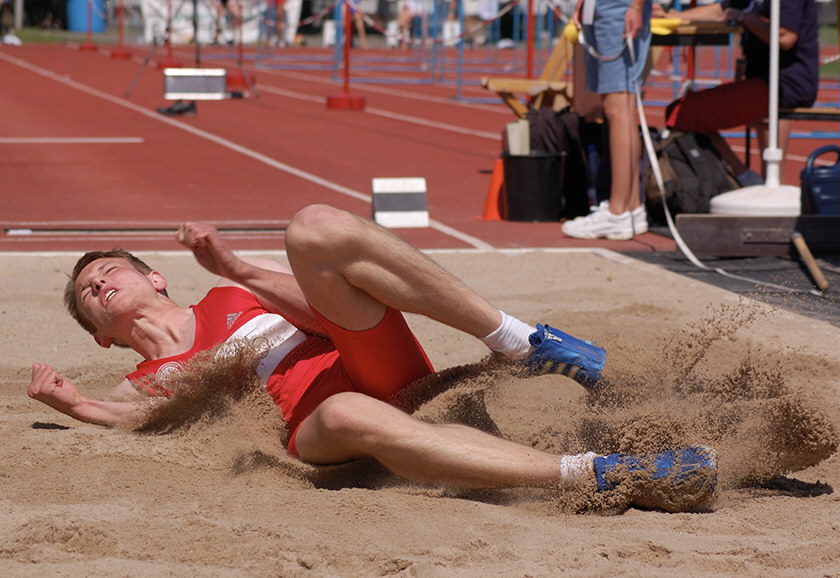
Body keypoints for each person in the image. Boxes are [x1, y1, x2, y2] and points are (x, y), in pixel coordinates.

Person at [28, 204, 717, 510]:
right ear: (101, 334)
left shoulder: (226, 295)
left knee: (316, 227)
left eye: (109, 269)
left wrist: (238, 268)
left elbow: (318, 307)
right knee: (350, 413)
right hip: (319, 424)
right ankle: (602, 475)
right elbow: (132, 419)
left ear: (155, 277)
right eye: (86, 291)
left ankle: (520, 340)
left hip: (371, 364)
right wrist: (74, 404)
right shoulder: (146, 375)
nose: (96, 281)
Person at [657, 0, 819, 186]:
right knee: (681, 111)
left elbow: (785, 36)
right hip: (761, 80)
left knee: (683, 112)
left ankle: (744, 178)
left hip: (785, 84)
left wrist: (745, 18)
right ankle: (747, 178)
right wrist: (672, 16)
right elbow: (719, 10)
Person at [561, 0, 652, 241]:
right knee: (620, 106)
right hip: (605, 8)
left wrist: (636, 6)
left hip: (617, 9)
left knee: (618, 105)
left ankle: (618, 211)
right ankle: (630, 207)